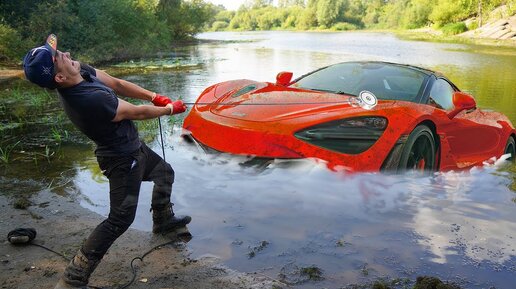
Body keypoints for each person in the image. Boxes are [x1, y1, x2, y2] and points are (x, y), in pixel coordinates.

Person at [22, 34, 192, 289]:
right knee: (120, 219)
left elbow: (117, 82)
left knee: (165, 173)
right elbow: (134, 112)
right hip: (122, 161)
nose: (66, 53)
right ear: (59, 77)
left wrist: (154, 95)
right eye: (59, 57)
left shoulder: (80, 72)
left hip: (133, 148)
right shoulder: (89, 100)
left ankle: (163, 221)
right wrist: (169, 110)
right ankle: (74, 276)